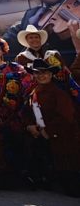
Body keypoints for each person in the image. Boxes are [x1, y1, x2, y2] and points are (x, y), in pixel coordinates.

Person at [24, 58, 80, 196]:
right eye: (37, 73)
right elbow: (27, 112)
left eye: (44, 73)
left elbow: (67, 117)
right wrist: (29, 126)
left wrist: (49, 131)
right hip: (42, 136)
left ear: (50, 74)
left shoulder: (58, 94)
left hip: (62, 137)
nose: (41, 76)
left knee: (69, 176)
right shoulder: (33, 92)